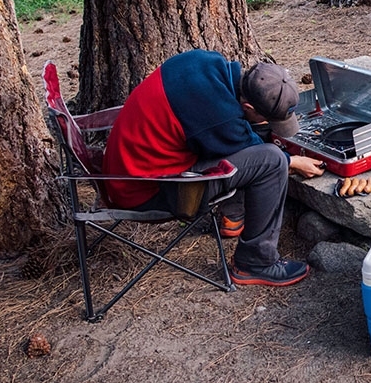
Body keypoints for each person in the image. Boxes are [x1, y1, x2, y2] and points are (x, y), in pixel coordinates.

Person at [102, 49, 326, 286]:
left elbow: (233, 139)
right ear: (248, 106)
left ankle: (233, 217)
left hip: (126, 174)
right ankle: (255, 263)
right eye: (267, 118)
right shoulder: (221, 118)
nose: (270, 125)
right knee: (272, 161)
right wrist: (292, 161)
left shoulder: (206, 62)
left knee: (249, 141)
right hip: (145, 192)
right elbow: (254, 152)